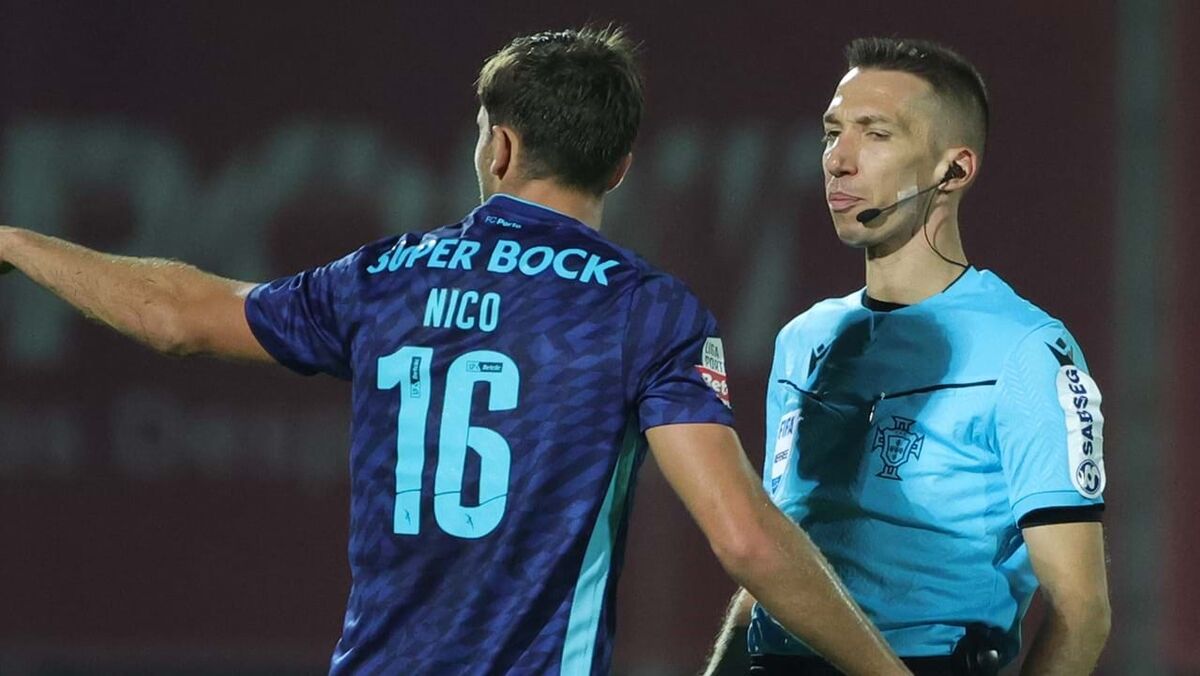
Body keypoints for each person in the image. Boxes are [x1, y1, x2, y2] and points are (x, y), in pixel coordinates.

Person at [0, 27, 909, 676]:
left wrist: (15, 242)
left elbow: (179, 317)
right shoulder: (647, 312)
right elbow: (745, 539)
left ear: (498, 147)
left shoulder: (387, 277)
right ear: (620, 166)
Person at [705, 37, 1111, 676]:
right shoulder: (804, 338)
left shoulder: (1027, 349)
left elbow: (1082, 611)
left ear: (955, 170)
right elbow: (782, 554)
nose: (838, 161)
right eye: (832, 133)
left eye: (876, 134)